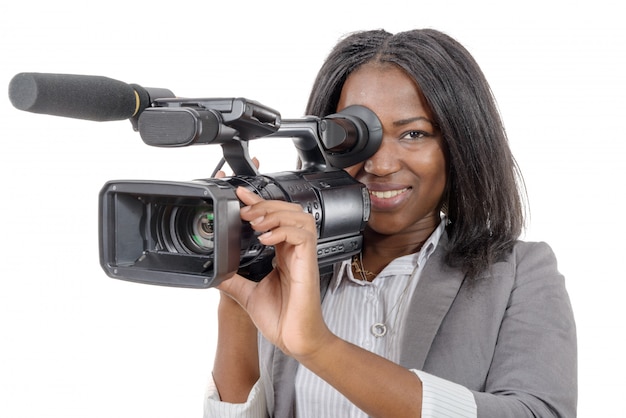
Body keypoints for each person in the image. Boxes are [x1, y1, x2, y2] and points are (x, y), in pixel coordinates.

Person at [204, 28, 577, 417]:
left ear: (460, 144)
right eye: (354, 136)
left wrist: (319, 346)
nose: (380, 165)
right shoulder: (287, 269)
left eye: (414, 133)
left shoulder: (519, 274)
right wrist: (237, 291)